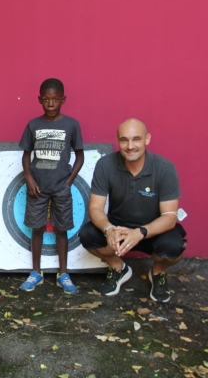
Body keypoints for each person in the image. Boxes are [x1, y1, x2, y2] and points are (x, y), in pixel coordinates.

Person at [79, 118, 186, 303]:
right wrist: (109, 229)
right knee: (87, 235)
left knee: (174, 247)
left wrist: (141, 232)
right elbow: (95, 207)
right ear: (117, 140)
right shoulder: (105, 165)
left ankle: (158, 272)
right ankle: (118, 268)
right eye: (124, 140)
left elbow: (169, 217)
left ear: (147, 139)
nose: (130, 146)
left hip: (153, 230)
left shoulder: (165, 168)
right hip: (118, 229)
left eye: (136, 139)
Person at [18, 78, 84, 293]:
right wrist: (28, 177)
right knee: (36, 228)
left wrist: (69, 181)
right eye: (46, 99)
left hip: (61, 188)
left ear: (63, 99)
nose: (51, 103)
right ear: (39, 100)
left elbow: (80, 157)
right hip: (37, 187)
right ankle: (36, 272)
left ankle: (63, 274)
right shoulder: (33, 125)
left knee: (61, 229)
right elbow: (26, 155)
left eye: (55, 99)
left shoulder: (71, 125)